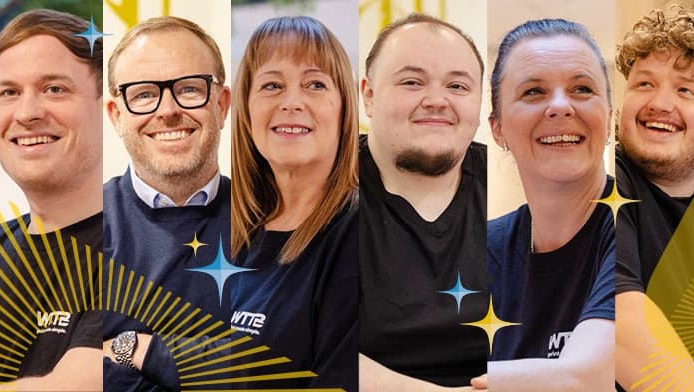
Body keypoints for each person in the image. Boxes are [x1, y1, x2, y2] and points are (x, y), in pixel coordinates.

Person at [474, 19, 615, 392]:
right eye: (534, 92)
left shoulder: (641, 224)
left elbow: (584, 381)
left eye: (582, 89)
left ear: (611, 119)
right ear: (497, 128)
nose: (559, 106)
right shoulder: (476, 252)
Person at [614, 6, 694, 391]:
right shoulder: (598, 187)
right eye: (644, 84)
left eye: (685, 90)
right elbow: (621, 327)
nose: (660, 103)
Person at [358, 13, 489, 391]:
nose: (437, 101)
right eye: (412, 82)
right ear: (369, 95)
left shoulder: (522, 184)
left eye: (458, 86)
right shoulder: (322, 186)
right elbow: (299, 339)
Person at [228, 16, 358, 391]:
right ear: (246, 109)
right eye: (272, 85)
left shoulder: (358, 233)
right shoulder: (228, 230)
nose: (292, 102)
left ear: (343, 109)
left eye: (315, 84)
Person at [0, 8, 102, 391]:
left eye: (54, 89)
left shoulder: (148, 255)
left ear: (107, 108)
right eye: (9, 92)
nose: (27, 113)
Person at [102, 16, 231, 391]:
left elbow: (290, 368)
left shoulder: (283, 224)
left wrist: (137, 348)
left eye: (189, 89)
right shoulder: (71, 236)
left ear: (221, 104)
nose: (168, 109)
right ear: (117, 115)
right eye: (143, 94)